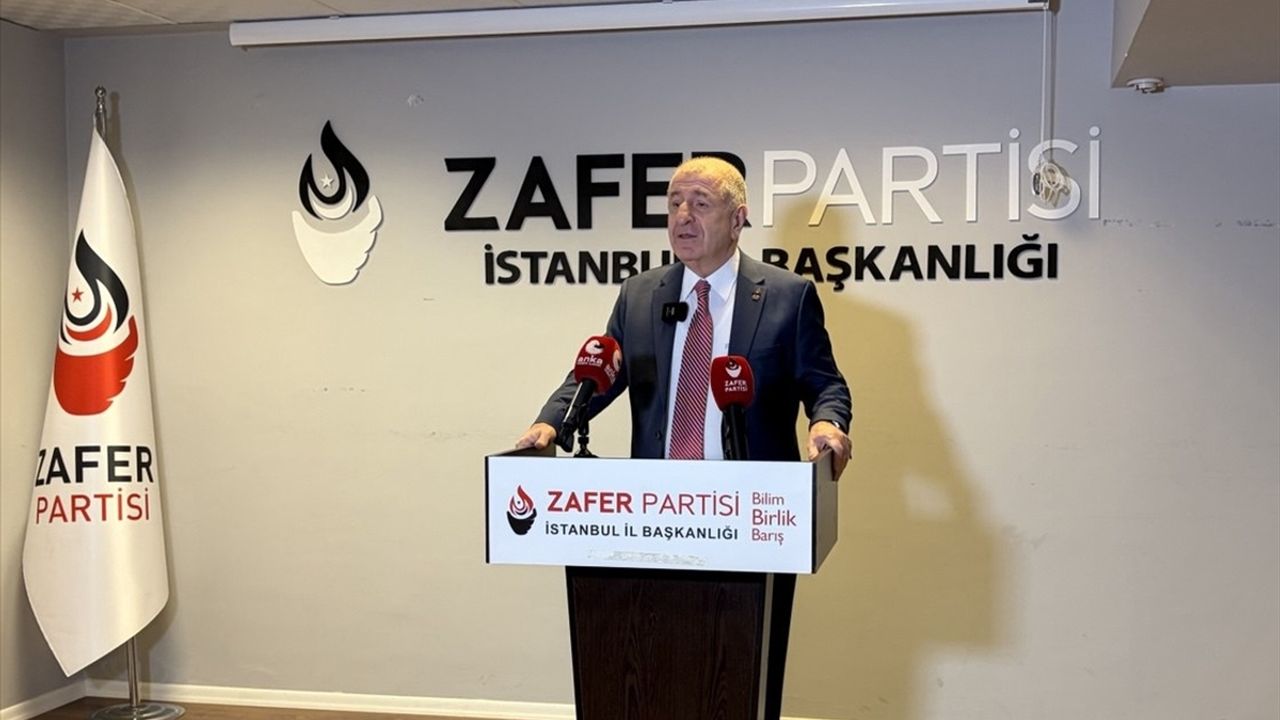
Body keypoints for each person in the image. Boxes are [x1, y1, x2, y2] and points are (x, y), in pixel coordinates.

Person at [515, 156, 852, 719]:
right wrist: (551, 423)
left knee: (739, 676)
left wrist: (827, 423)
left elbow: (825, 383)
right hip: (654, 513)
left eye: (700, 203)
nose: (683, 216)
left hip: (749, 516)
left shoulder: (787, 296)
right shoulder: (640, 293)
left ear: (738, 218)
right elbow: (600, 373)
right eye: (674, 203)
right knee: (646, 663)